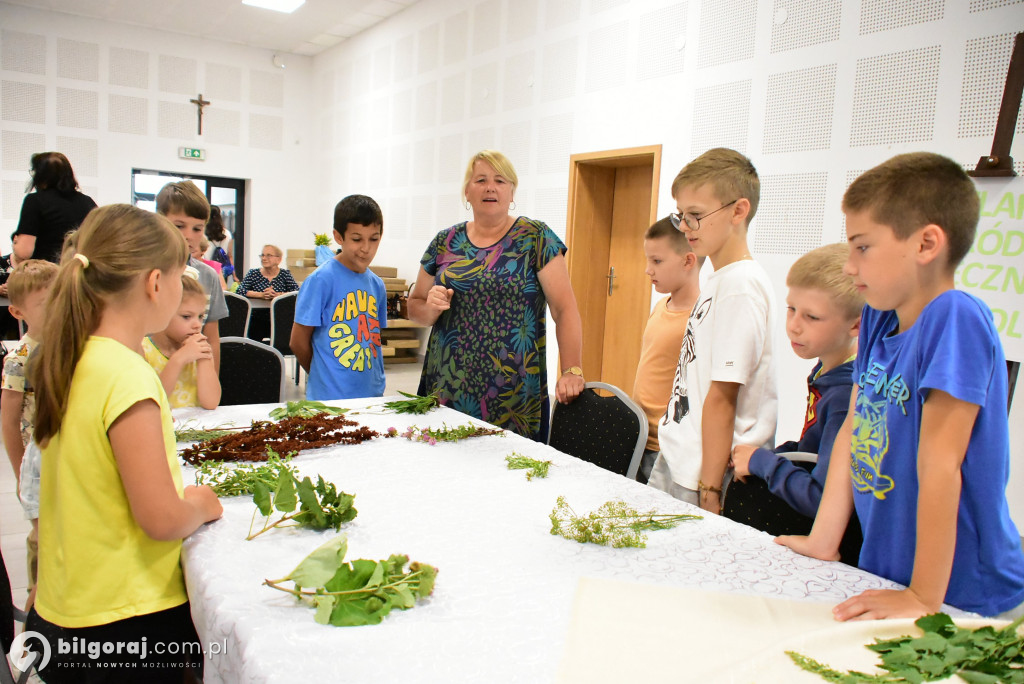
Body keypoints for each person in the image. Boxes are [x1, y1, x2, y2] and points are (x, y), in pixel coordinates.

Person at [778, 152, 1024, 621]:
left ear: (926, 244)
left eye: (862, 248)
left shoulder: (955, 319)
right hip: (889, 572)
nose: (850, 267)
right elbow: (855, 426)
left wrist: (922, 597)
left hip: (961, 593)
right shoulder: (876, 317)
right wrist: (824, 538)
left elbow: (941, 466)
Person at [24, 204, 223, 680]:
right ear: (157, 284)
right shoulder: (128, 375)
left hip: (65, 608)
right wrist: (200, 503)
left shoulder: (74, 355)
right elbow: (160, 518)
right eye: (181, 277)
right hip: (125, 622)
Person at [408, 150, 584, 441]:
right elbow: (414, 306)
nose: (490, 187)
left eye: (500, 180)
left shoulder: (536, 238)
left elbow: (564, 310)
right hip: (449, 385)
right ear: (467, 191)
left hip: (512, 391)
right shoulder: (445, 241)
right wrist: (430, 308)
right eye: (481, 180)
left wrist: (572, 369)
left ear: (511, 191)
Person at [648, 148, 778, 513]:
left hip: (703, 474)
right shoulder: (720, 280)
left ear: (738, 210)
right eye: (682, 216)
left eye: (696, 216)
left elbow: (723, 395)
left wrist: (710, 489)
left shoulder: (741, 285)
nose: (685, 228)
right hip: (682, 458)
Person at [724, 244, 863, 563]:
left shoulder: (845, 396)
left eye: (812, 317)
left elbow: (821, 498)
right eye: (791, 309)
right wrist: (770, 455)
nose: (794, 326)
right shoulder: (826, 370)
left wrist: (763, 462)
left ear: (855, 325)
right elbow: (811, 449)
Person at [1, 259, 58, 611]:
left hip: (64, 455)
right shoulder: (19, 358)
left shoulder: (71, 345)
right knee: (42, 533)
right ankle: (38, 600)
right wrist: (21, 469)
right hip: (36, 463)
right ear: (18, 310)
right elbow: (8, 419)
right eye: (43, 305)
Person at [291, 195, 387, 400]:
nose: (366, 248)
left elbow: (374, 341)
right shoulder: (321, 280)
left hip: (371, 395)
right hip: (330, 397)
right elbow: (298, 342)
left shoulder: (377, 285)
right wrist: (323, 376)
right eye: (356, 239)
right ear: (338, 237)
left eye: (374, 238)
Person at [631, 216, 702, 484]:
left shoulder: (698, 319)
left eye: (657, 261)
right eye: (648, 260)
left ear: (688, 261)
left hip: (665, 448)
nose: (648, 270)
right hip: (639, 436)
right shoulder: (661, 306)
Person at [156, 180, 228, 371]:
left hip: (193, 378)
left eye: (197, 228)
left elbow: (212, 339)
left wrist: (213, 381)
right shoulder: (144, 272)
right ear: (160, 222)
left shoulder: (208, 276)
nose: (188, 235)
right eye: (179, 226)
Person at [142, 268, 221, 409]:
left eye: (200, 316)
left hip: (195, 428)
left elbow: (211, 402)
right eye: (186, 317)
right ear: (162, 312)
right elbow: (155, 402)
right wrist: (179, 359)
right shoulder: (143, 350)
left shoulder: (199, 349)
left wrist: (204, 360)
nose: (197, 325)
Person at [14, 152, 97, 264]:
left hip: (47, 275)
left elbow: (24, 252)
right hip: (79, 274)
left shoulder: (35, 200)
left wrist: (16, 243)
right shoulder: (88, 202)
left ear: (40, 175)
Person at [203, 205, 234, 281]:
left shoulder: (203, 232)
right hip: (221, 270)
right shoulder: (227, 233)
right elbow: (229, 255)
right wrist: (234, 274)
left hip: (206, 268)